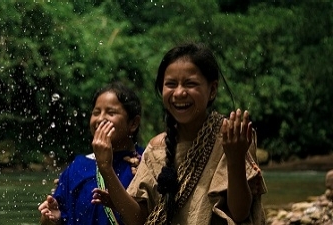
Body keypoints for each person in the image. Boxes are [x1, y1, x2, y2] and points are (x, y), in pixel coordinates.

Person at [92, 43, 267, 225]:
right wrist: (107, 170)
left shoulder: (233, 137)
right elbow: (139, 220)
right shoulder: (156, 148)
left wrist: (235, 159)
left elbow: (239, 213)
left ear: (212, 90)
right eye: (171, 84)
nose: (179, 93)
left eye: (190, 84)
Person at [38, 82, 144, 225]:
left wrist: (105, 167)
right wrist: (51, 219)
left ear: (133, 124)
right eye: (96, 112)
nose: (100, 119)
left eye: (111, 113)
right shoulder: (77, 167)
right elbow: (60, 217)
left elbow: (146, 219)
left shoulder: (144, 163)